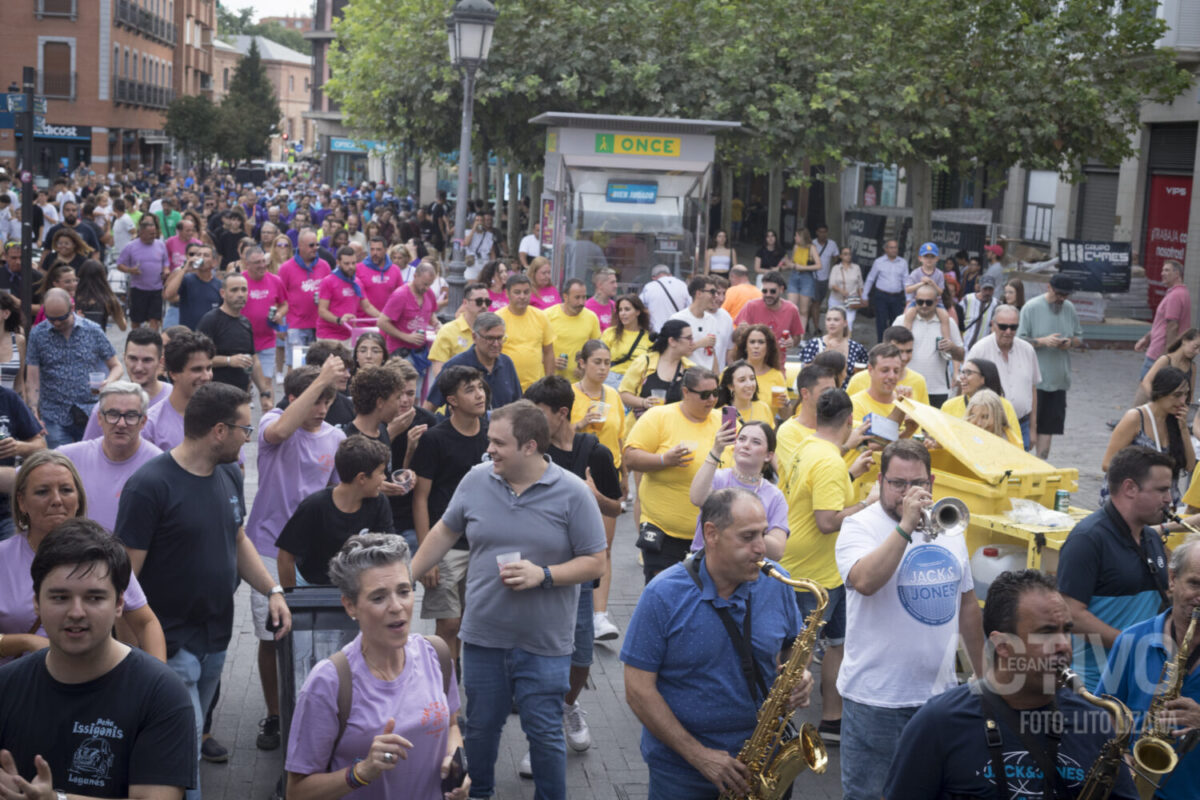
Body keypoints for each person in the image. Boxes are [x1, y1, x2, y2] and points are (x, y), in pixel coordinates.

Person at [410, 400, 605, 797]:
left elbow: (596, 563)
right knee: (479, 729)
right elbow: (444, 534)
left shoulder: (572, 493)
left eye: (498, 443)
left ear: (530, 446)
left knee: (546, 735)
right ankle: (477, 793)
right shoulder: (476, 479)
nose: (489, 450)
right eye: (488, 442)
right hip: (483, 636)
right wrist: (403, 581)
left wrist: (544, 575)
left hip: (545, 643)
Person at [116, 382, 293, 800]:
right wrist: (132, 655)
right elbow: (124, 580)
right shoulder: (150, 486)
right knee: (182, 744)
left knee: (190, 742)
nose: (247, 438)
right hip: (170, 643)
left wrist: (273, 589)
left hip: (216, 638)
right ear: (218, 430)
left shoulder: (230, 473)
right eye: (244, 430)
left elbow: (238, 539)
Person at [621, 487, 815, 799]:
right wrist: (699, 756)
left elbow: (795, 646)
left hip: (764, 761)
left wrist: (800, 675)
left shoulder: (776, 581)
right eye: (748, 536)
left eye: (763, 534)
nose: (761, 547)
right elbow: (638, 690)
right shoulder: (663, 594)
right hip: (683, 772)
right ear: (711, 534)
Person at [883, 569, 1140, 800]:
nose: (1064, 645)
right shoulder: (937, 723)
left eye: (1066, 630)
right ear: (1003, 646)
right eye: (1046, 632)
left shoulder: (1093, 723)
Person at [0, 521, 196, 799]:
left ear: (119, 604)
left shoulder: (161, 694)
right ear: (36, 602)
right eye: (60, 597)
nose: (76, 612)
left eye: (94, 597)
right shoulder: (6, 685)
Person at [834, 439, 984, 800]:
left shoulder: (951, 526)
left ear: (931, 483)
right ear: (881, 481)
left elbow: (967, 607)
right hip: (876, 701)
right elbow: (865, 582)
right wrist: (904, 527)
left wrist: (984, 678)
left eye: (916, 484)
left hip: (938, 697)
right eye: (897, 484)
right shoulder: (859, 527)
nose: (907, 493)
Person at [283, 534, 465, 800]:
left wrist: (455, 767)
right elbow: (297, 791)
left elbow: (451, 726)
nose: (396, 607)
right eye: (379, 598)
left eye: (404, 591)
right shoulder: (329, 683)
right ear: (350, 606)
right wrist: (361, 772)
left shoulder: (435, 654)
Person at [246, 360, 348, 750]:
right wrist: (321, 376)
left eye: (328, 400)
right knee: (273, 637)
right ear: (294, 397)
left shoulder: (335, 436)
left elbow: (336, 494)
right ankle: (275, 714)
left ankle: (316, 711)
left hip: (312, 557)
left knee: (314, 636)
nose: (320, 409)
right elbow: (282, 428)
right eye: (315, 400)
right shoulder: (275, 421)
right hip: (268, 551)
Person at [524, 376, 623, 766]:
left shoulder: (593, 452)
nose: (530, 422)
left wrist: (593, 495)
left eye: (539, 414)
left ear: (561, 413)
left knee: (580, 658)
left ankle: (568, 705)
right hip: (537, 570)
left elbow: (616, 507)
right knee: (542, 657)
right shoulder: (530, 450)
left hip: (579, 574)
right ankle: (541, 736)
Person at [0, 449, 164, 666]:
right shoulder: (3, 557)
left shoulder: (102, 553)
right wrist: (26, 642)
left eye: (66, 490)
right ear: (22, 502)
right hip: (19, 690)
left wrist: (159, 683)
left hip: (93, 687)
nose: (57, 500)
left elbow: (145, 623)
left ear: (78, 498)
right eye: (42, 492)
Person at [781, 390, 876, 743]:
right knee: (800, 653)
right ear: (850, 420)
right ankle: (778, 725)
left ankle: (832, 721)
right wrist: (869, 502)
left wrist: (849, 473)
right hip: (814, 574)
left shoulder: (809, 446)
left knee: (838, 643)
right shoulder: (829, 461)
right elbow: (827, 520)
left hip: (826, 570)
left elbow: (816, 494)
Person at [1058, 445, 1173, 692]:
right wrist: (1133, 646)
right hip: (1095, 686)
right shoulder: (1087, 539)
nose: (1169, 499)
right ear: (1130, 488)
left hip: (1141, 679)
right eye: (1162, 490)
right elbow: (1072, 614)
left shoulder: (1151, 538)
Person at [1099, 533, 1200, 800]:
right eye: (1195, 584)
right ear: (1172, 580)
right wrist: (1119, 755)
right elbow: (1102, 715)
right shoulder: (1132, 640)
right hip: (1132, 789)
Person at [411, 366, 490, 667]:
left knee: (474, 625)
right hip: (445, 547)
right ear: (451, 401)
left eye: (480, 387)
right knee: (449, 626)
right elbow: (420, 498)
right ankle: (445, 697)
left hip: (485, 545)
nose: (479, 393)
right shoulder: (435, 439)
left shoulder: (492, 433)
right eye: (469, 389)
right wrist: (426, 555)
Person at [624, 367, 724, 582]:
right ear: (686, 392)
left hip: (709, 534)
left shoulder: (722, 422)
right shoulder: (659, 416)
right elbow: (630, 457)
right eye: (705, 395)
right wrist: (664, 460)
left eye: (716, 393)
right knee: (662, 597)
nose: (712, 399)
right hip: (662, 530)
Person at [276, 439, 396, 588]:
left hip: (358, 586)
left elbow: (387, 551)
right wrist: (292, 598)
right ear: (362, 478)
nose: (385, 478)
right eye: (381, 472)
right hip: (313, 584)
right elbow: (285, 556)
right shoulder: (314, 506)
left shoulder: (379, 503)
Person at [59, 381, 162, 532]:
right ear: (99, 418)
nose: (121, 423)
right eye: (113, 414)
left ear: (143, 421)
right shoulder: (70, 457)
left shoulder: (158, 466)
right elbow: (23, 476)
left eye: (131, 416)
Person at [26, 288, 121, 448]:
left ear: (72, 308)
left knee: (90, 458)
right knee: (60, 462)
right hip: (54, 412)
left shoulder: (92, 330)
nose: (56, 323)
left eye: (61, 318)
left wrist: (108, 381)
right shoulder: (38, 334)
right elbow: (32, 377)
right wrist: (33, 409)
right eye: (51, 318)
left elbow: (117, 366)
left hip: (89, 410)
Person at [688, 419, 788, 557]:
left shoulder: (774, 496)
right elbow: (697, 498)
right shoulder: (716, 477)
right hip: (705, 563)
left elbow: (777, 551)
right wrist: (716, 450)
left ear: (768, 456)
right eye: (741, 439)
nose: (746, 445)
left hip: (748, 569)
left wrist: (747, 529)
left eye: (756, 442)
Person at [1101, 367, 1194, 511]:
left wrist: (1183, 429)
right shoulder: (1135, 418)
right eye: (1177, 395)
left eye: (1186, 395)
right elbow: (1107, 464)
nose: (1182, 401)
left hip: (1166, 502)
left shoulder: (1175, 421)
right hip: (1134, 501)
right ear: (1161, 393)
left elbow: (1189, 466)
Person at [1019, 273, 1084, 459]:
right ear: (1049, 288)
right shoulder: (1031, 308)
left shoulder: (1069, 308)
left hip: (1058, 379)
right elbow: (1019, 340)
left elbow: (1079, 337)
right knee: (1029, 425)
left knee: (1048, 427)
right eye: (1059, 294)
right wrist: (1042, 341)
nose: (1062, 299)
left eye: (1066, 295)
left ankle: (1041, 464)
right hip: (1034, 381)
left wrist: (1069, 343)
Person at [967, 305, 1040, 450]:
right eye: (1003, 326)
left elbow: (1032, 389)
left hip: (1022, 424)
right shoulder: (980, 349)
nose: (1008, 331)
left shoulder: (1027, 350)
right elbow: (967, 386)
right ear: (993, 325)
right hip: (990, 426)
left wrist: (1033, 428)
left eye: (1013, 327)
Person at [197, 272, 272, 409]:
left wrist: (264, 393)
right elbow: (198, 360)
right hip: (214, 397)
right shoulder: (210, 320)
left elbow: (254, 361)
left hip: (241, 398)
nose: (240, 294)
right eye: (234, 290)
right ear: (223, 293)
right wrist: (229, 361)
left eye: (244, 289)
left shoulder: (245, 323)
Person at [424, 312, 521, 411]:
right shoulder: (455, 366)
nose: (496, 344)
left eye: (500, 338)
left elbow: (518, 405)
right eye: (490, 338)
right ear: (474, 337)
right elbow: (430, 406)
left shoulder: (506, 363)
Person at [894, 282, 963, 408]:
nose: (924, 305)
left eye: (929, 302)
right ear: (915, 301)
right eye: (920, 302)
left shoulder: (949, 322)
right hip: (907, 388)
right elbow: (888, 351)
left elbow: (961, 355)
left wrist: (952, 348)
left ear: (936, 301)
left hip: (938, 389)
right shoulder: (901, 320)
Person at [141, 331, 213, 451]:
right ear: (173, 373)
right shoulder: (151, 425)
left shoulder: (222, 415)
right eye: (197, 369)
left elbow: (238, 467)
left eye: (209, 368)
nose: (206, 376)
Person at [940, 357, 1024, 448]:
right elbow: (942, 438)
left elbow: (1016, 444)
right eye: (962, 372)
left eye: (968, 373)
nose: (962, 377)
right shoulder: (949, 405)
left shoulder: (1003, 405)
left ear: (983, 379)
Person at [618, 319, 696, 413]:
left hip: (673, 425)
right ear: (672, 341)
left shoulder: (691, 369)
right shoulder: (644, 362)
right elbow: (623, 394)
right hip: (643, 424)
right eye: (689, 338)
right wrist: (643, 402)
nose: (693, 342)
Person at [239, 245, 288, 387]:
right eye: (257, 263)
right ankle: (245, 404)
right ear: (247, 264)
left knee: (266, 382)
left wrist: (279, 313)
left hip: (267, 339)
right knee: (244, 382)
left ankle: (267, 408)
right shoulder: (240, 281)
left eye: (263, 261)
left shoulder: (275, 280)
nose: (262, 265)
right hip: (243, 340)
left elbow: (285, 304)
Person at [498, 272, 556, 390]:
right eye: (517, 292)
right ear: (507, 294)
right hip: (505, 386)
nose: (522, 296)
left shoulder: (541, 316)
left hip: (536, 388)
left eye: (526, 292)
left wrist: (549, 383)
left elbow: (549, 352)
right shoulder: (498, 319)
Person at [1136, 258, 1192, 378]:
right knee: (1157, 393)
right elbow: (1162, 324)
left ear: (1177, 274)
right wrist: (1147, 338)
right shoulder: (1179, 293)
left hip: (1158, 353)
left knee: (1145, 389)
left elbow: (1172, 326)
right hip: (1161, 351)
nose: (1162, 273)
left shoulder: (1175, 296)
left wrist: (1167, 356)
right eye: (1162, 270)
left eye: (1167, 270)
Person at [279, 230, 333, 354]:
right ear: (301, 245)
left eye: (317, 245)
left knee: (317, 365)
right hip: (295, 325)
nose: (315, 248)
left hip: (319, 325)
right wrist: (280, 326)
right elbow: (279, 299)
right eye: (311, 245)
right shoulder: (286, 268)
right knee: (296, 365)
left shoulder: (324, 266)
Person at [427, 282, 489, 388]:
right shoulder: (447, 331)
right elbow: (439, 374)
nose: (484, 306)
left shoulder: (491, 331)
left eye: (487, 302)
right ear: (465, 303)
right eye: (479, 302)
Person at [317, 246, 382, 345]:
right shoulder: (328, 281)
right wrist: (339, 320)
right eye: (346, 264)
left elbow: (367, 306)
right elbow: (322, 311)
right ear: (338, 263)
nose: (351, 267)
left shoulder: (357, 282)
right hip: (329, 335)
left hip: (349, 334)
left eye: (353, 263)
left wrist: (383, 317)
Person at [116, 214, 170, 331]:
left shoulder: (160, 245)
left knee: (154, 319)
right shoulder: (130, 246)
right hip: (138, 289)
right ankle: (136, 339)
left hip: (156, 289)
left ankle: (153, 340)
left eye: (155, 233)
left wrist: (166, 271)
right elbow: (119, 264)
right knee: (136, 320)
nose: (154, 236)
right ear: (141, 233)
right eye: (151, 234)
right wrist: (130, 270)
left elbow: (166, 262)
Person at [670, 275, 731, 374]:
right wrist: (700, 344)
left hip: (707, 379)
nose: (716, 296)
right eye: (712, 292)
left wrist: (717, 380)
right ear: (699, 293)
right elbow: (672, 353)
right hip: (685, 378)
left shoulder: (711, 320)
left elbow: (712, 353)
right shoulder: (678, 319)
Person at [798, 307, 870, 386]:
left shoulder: (856, 347)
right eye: (828, 319)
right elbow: (806, 373)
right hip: (822, 392)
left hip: (848, 393)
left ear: (845, 323)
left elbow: (864, 373)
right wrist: (827, 352)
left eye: (836, 320)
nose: (831, 323)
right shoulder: (814, 344)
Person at [547, 279, 602, 380]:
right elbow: (536, 348)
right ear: (565, 296)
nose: (581, 302)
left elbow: (597, 351)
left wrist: (586, 368)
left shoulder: (592, 317)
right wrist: (550, 361)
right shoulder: (547, 315)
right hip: (552, 382)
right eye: (577, 297)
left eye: (584, 297)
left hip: (579, 384)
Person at [734, 271, 803, 350]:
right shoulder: (751, 306)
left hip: (778, 361)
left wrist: (792, 342)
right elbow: (735, 338)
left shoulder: (791, 309)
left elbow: (797, 337)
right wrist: (739, 330)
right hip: (752, 360)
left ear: (781, 289)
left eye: (772, 291)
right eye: (764, 291)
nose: (768, 294)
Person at [717, 359, 775, 427]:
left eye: (752, 378)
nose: (749, 384)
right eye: (742, 380)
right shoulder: (720, 413)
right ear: (731, 386)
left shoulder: (763, 408)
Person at [75, 260, 128, 332]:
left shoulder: (74, 297)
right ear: (103, 276)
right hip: (98, 341)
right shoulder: (108, 299)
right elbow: (123, 327)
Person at [639, 263, 691, 334]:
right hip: (678, 333)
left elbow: (638, 306)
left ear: (653, 278)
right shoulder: (683, 285)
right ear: (670, 274)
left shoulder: (649, 287)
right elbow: (690, 307)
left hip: (658, 334)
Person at [355, 236, 403, 312]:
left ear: (385, 250)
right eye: (372, 249)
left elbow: (401, 297)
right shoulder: (358, 269)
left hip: (386, 320)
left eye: (378, 249)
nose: (375, 253)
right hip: (363, 321)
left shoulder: (395, 270)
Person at [827, 246, 865, 330]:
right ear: (841, 256)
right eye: (845, 254)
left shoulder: (856, 268)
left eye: (849, 254)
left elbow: (860, 285)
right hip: (836, 300)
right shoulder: (836, 268)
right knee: (834, 323)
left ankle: (846, 342)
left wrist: (862, 298)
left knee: (849, 323)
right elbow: (831, 284)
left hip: (851, 300)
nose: (848, 256)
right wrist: (841, 291)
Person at [959, 274, 999, 350]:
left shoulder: (996, 304)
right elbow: (957, 319)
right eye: (985, 289)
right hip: (964, 346)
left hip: (983, 349)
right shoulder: (968, 299)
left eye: (990, 289)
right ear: (980, 287)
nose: (987, 292)